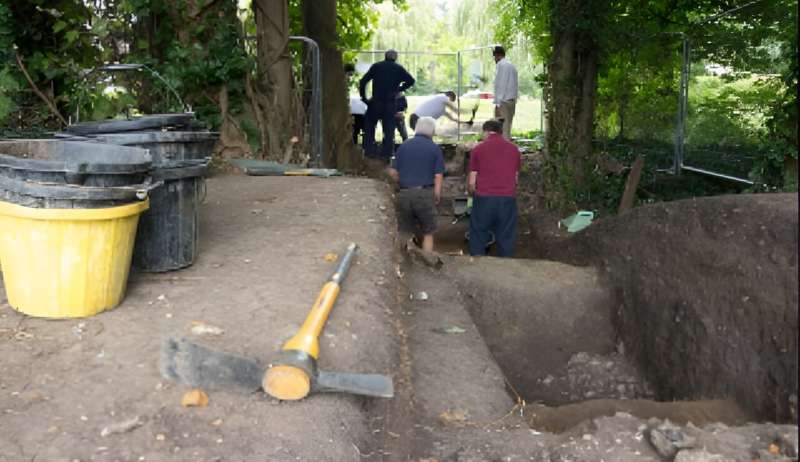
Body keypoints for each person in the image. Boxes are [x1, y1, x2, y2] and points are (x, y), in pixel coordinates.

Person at [388, 116, 444, 257]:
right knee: (428, 231)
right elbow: (438, 175)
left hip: (404, 193)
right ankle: (427, 259)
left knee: (405, 230)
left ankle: (402, 260)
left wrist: (401, 184)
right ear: (432, 131)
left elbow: (393, 172)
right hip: (424, 193)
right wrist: (437, 194)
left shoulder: (404, 146)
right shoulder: (434, 148)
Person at [467, 119, 521, 257]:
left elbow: (472, 180)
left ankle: (478, 265)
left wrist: (471, 194)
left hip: (484, 198)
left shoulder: (478, 149)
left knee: (478, 232)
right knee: (506, 234)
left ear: (485, 132)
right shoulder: (514, 149)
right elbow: (515, 178)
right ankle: (505, 267)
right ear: (501, 132)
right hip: (507, 198)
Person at [359, 50, 415, 160]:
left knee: (369, 127)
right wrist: (399, 89)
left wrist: (364, 98)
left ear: (385, 56)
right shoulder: (398, 68)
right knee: (389, 130)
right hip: (390, 103)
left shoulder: (377, 66)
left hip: (375, 102)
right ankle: (387, 154)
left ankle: (369, 152)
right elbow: (411, 80)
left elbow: (363, 81)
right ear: (395, 58)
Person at [492, 46, 518, 139]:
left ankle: (503, 151)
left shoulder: (501, 65)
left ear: (497, 55)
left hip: (504, 102)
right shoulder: (511, 66)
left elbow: (501, 84)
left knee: (502, 129)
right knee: (507, 127)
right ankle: (504, 150)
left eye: (494, 56)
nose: (494, 59)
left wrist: (498, 104)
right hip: (511, 101)